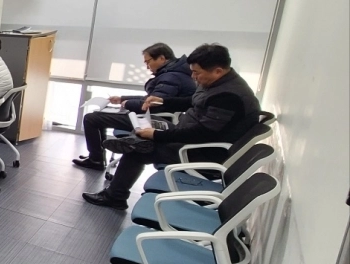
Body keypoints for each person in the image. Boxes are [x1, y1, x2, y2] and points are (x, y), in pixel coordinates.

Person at [83, 44, 262, 210]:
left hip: (200, 151)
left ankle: (115, 196)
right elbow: (191, 102)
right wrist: (163, 100)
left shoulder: (229, 96)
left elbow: (202, 133)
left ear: (218, 71)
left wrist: (157, 135)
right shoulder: (216, 84)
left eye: (197, 73)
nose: (193, 77)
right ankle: (136, 138)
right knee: (145, 132)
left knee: (137, 151)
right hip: (189, 133)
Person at [74, 43, 197, 170]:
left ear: (161, 58)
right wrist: (123, 98)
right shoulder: (173, 73)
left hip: (153, 119)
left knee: (91, 118)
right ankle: (97, 156)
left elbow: (152, 105)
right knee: (98, 116)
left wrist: (127, 103)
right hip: (153, 117)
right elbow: (150, 98)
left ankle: (96, 159)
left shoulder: (171, 77)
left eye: (148, 62)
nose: (147, 67)